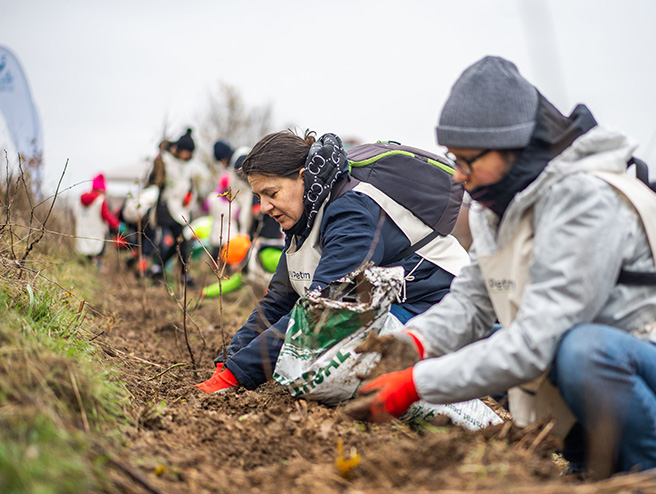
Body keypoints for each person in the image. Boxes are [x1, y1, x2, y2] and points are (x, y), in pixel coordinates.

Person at [352, 56, 656, 491]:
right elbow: (471, 302)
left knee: (581, 347)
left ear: (513, 147)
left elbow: (538, 339)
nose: (460, 177)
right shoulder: (495, 206)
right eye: (454, 159)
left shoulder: (587, 199)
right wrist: (410, 345)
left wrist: (416, 383)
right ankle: (594, 471)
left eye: (468, 160)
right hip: (616, 390)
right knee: (538, 349)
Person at [195, 131, 469, 393]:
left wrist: (236, 375)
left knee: (344, 364)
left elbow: (326, 307)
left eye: (272, 194)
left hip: (438, 301)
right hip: (394, 302)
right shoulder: (303, 219)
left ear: (303, 178)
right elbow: (278, 301)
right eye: (259, 197)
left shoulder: (352, 211)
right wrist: (228, 360)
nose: (264, 207)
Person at [148, 128, 202, 283]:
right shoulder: (165, 160)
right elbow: (154, 180)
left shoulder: (188, 167)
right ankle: (175, 272)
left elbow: (190, 186)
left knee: (182, 241)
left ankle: (162, 269)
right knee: (175, 240)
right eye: (184, 151)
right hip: (166, 207)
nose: (186, 155)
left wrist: (189, 196)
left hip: (182, 208)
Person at [74, 173, 120, 269]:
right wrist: (117, 225)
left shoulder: (79, 201)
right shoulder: (100, 200)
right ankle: (96, 266)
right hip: (96, 232)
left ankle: (84, 266)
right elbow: (107, 216)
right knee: (97, 250)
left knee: (84, 251)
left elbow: (74, 215)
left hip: (82, 231)